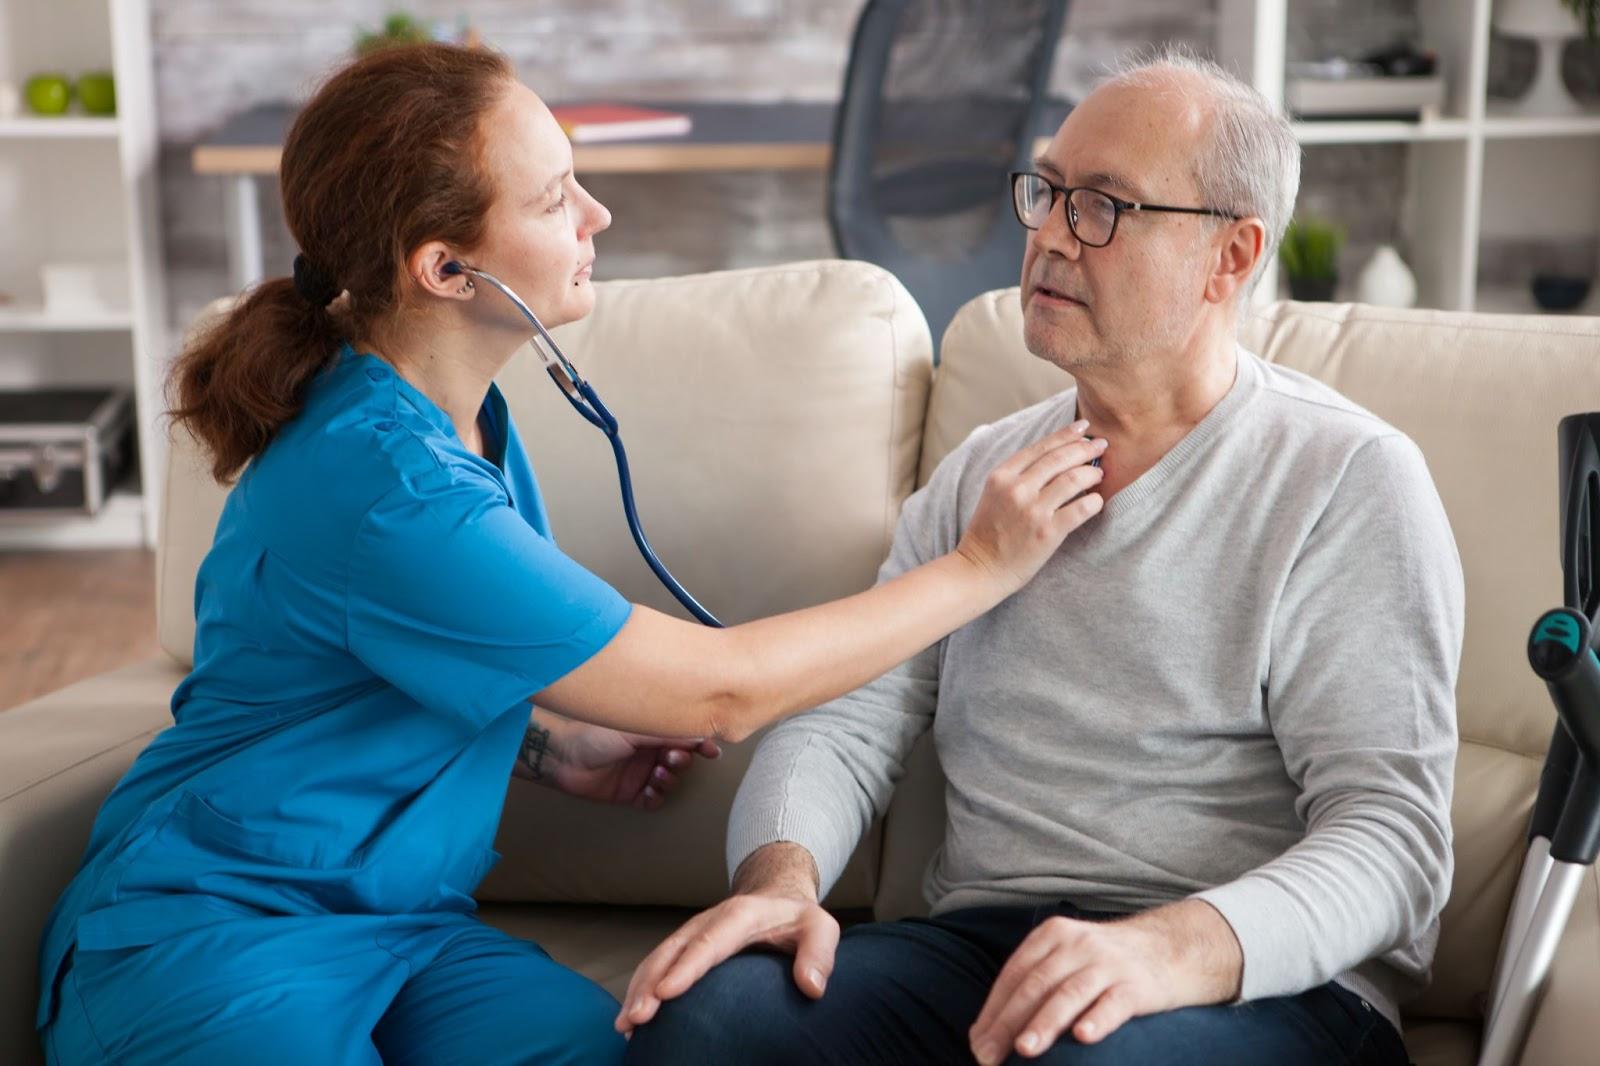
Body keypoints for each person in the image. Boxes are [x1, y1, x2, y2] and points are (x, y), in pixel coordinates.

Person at [34, 42, 1107, 1066]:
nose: (598, 214)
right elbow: (719, 694)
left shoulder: (464, 425)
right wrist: (979, 566)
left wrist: (550, 748)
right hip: (216, 933)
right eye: (554, 199)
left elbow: (380, 668)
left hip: (404, 932)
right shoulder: (387, 489)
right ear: (448, 269)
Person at [619, 51, 1464, 1066]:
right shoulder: (986, 473)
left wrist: (1172, 949)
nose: (1051, 235)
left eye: (1102, 207)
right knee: (703, 1020)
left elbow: (1392, 839)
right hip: (984, 949)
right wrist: (778, 886)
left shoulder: (1345, 476)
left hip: (1253, 982)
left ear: (1228, 258)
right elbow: (846, 724)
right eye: (1048, 191)